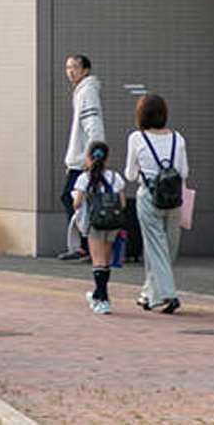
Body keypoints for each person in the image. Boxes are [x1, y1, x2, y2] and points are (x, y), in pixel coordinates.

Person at [125, 93, 188, 314]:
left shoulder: (136, 138)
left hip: (149, 196)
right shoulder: (178, 139)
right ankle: (148, 295)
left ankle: (168, 294)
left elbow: (130, 174)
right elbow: (184, 172)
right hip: (174, 197)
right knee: (167, 247)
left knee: (154, 246)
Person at [69, 140, 127, 315]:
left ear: (88, 157)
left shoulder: (85, 178)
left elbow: (77, 204)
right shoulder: (115, 177)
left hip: (95, 224)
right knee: (106, 262)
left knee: (98, 262)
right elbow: (122, 204)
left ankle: (102, 300)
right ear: (107, 158)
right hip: (113, 224)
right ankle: (98, 295)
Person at [58, 55, 106, 260]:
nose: (71, 71)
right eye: (68, 67)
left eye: (75, 67)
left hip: (83, 162)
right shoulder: (82, 91)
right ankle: (84, 246)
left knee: (73, 199)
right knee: (80, 201)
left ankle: (84, 247)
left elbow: (93, 126)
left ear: (86, 70)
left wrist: (93, 157)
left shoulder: (87, 92)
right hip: (82, 159)